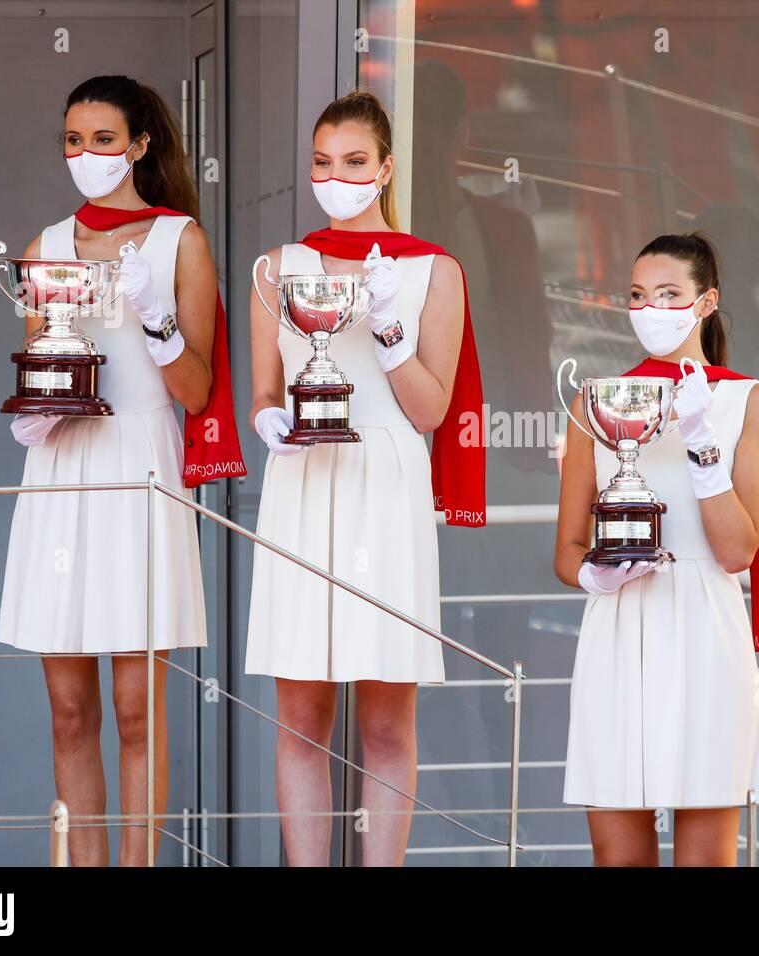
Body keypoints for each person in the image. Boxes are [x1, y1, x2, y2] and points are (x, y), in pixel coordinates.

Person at [0, 74, 244, 865]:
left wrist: (156, 316)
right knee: (70, 713)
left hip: (141, 463)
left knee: (137, 711)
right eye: (74, 140)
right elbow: (42, 364)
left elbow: (197, 389)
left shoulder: (181, 242)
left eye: (104, 140)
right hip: (62, 473)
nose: (87, 155)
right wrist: (36, 411)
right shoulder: (45, 247)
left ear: (139, 145)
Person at [245, 90, 484, 866]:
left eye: (352, 162)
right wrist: (266, 421)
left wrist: (386, 332)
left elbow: (428, 409)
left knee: (386, 722)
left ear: (385, 168)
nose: (335, 176)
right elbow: (263, 392)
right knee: (300, 718)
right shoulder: (277, 269)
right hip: (303, 484)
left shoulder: (434, 272)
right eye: (322, 162)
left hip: (386, 481)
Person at [555, 232, 759, 866]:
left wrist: (702, 445)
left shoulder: (754, 403)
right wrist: (595, 580)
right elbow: (568, 549)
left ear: (706, 302)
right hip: (617, 630)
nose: (650, 310)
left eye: (669, 295)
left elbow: (737, 549)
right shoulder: (595, 401)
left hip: (705, 634)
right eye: (639, 296)